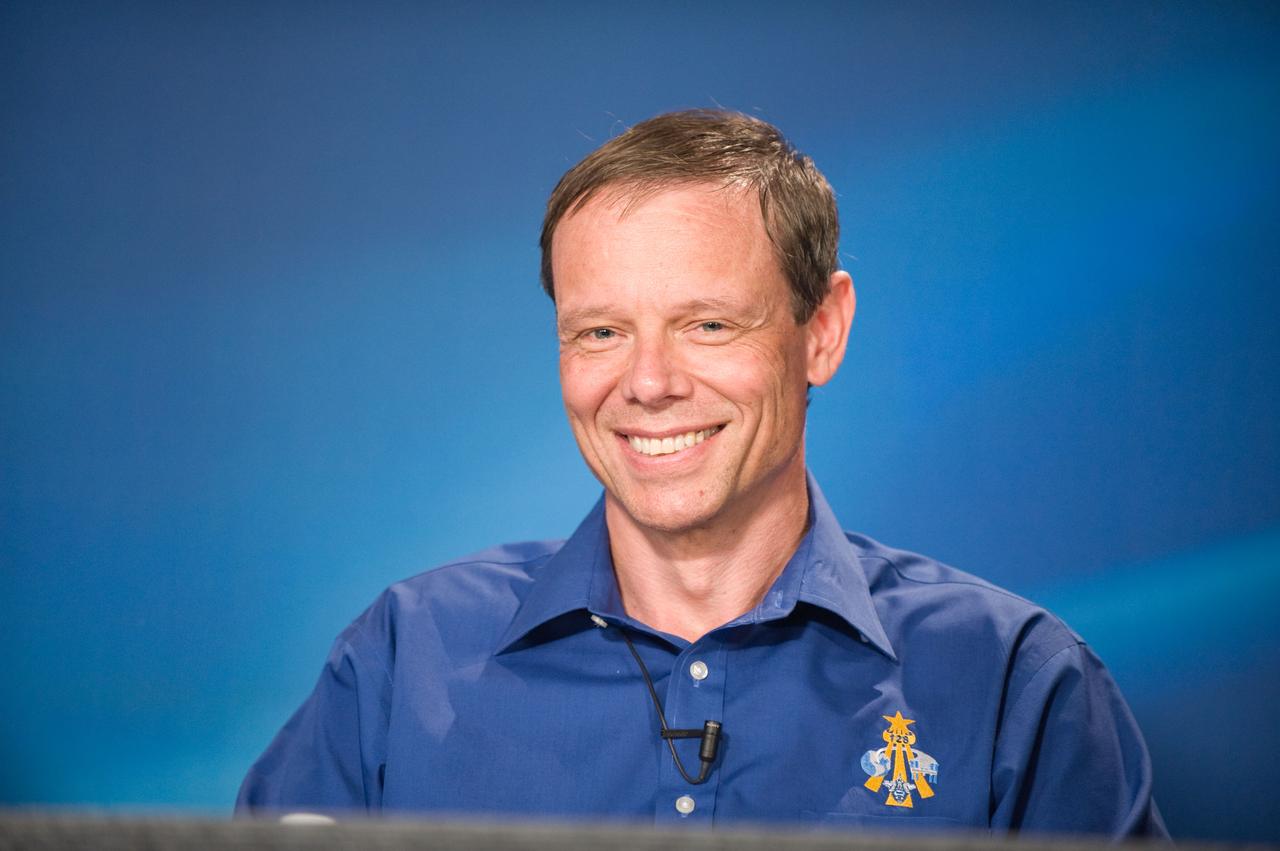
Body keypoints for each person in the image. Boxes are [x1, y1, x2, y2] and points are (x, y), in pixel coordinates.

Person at [236, 110, 1166, 837]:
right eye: (601, 331)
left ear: (822, 331)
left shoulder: (1013, 683)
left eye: (708, 324)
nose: (647, 383)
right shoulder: (409, 659)